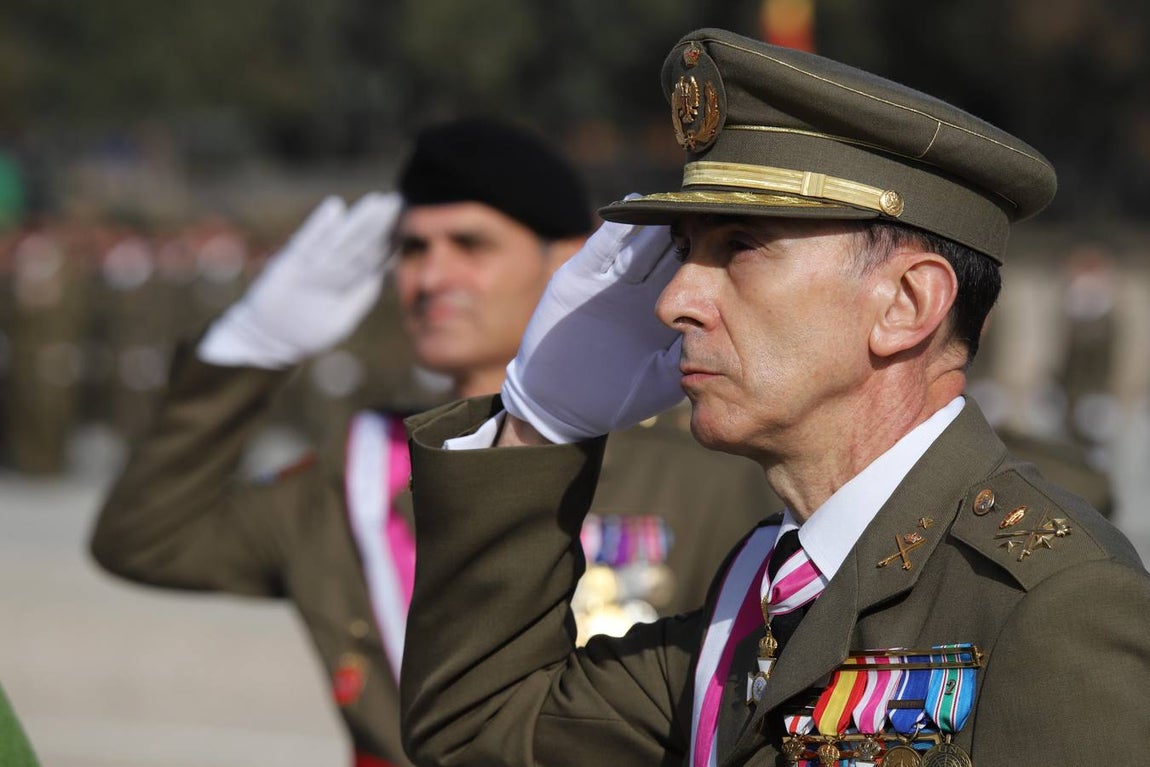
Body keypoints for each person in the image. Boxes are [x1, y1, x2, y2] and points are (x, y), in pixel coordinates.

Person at [398, 29, 1150, 767]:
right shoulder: (765, 580)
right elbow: (479, 728)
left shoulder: (1051, 601)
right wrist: (536, 427)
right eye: (688, 251)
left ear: (907, 303)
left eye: (741, 246)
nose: (676, 300)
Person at [89, 117, 774, 766]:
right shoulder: (357, 466)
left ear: (571, 259)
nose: (432, 277)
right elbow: (144, 537)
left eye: (470, 245)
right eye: (414, 249)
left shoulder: (697, 470)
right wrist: (247, 351)